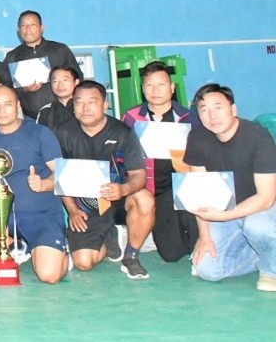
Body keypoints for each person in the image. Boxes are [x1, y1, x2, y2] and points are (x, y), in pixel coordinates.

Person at [0, 86, 69, 284]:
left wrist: (44, 184)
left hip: (41, 215)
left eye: (7, 104)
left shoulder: (40, 133)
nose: (2, 110)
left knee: (49, 276)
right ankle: (14, 245)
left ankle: (61, 252)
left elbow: (62, 174)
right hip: (4, 215)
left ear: (18, 105)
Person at [55, 81, 155, 280]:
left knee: (144, 199)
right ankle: (109, 238)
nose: (85, 108)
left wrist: (123, 189)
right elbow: (59, 175)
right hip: (85, 205)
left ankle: (131, 256)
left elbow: (139, 175)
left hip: (118, 199)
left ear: (105, 105)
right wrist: (72, 209)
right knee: (84, 263)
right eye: (79, 102)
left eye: (92, 102)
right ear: (73, 106)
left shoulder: (123, 132)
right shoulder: (62, 133)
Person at [185, 84, 276, 291]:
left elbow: (266, 198)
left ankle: (271, 270)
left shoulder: (258, 137)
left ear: (233, 109)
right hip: (224, 210)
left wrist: (225, 216)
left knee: (257, 226)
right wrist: (204, 236)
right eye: (204, 109)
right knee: (208, 270)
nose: (212, 115)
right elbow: (199, 193)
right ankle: (264, 254)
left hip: (262, 210)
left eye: (218, 107)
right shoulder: (197, 138)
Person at [121, 61, 201, 262]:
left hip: (179, 187)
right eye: (149, 85)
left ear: (172, 88)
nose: (155, 90)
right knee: (170, 254)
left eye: (161, 84)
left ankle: (199, 245)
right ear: (142, 89)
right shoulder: (131, 118)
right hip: (147, 190)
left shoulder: (189, 118)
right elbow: (121, 157)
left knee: (194, 234)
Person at [4, 10, 81, 120]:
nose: (28, 29)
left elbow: (78, 78)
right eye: (23, 25)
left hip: (64, 115)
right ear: (18, 30)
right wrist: (24, 89)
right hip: (29, 118)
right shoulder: (12, 56)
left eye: (32, 25)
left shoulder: (59, 50)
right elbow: (5, 88)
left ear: (41, 28)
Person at [35, 65, 81, 131]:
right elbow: (41, 135)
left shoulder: (84, 106)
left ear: (76, 82)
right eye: (55, 81)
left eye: (65, 80)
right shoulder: (45, 110)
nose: (60, 85)